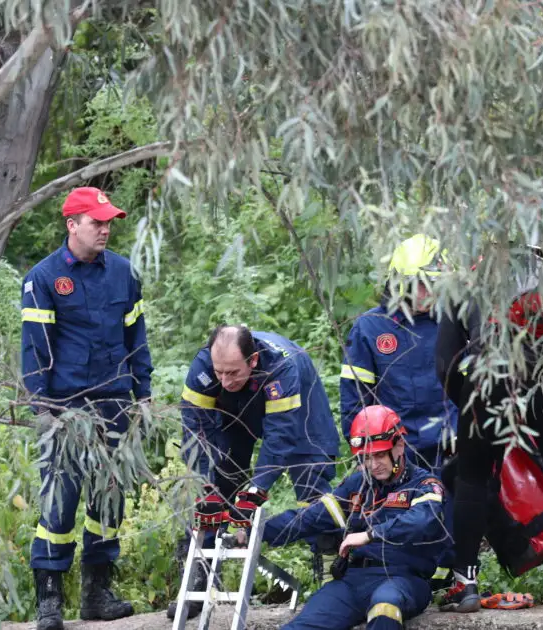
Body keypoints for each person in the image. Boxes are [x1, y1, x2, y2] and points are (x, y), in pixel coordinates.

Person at [434, 243, 543, 613]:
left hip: (487, 378)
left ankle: (464, 584)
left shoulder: (467, 274)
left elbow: (444, 363)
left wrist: (470, 406)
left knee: (472, 477)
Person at [21, 186, 152, 630]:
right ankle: (50, 600)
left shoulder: (123, 274)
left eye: (109, 221)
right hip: (65, 408)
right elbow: (34, 349)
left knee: (109, 498)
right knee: (60, 503)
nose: (105, 229)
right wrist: (42, 407)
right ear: (71, 224)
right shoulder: (43, 278)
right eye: (97, 222)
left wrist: (144, 395)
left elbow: (137, 338)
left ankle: (97, 593)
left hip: (114, 402)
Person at [167, 325, 340, 620]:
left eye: (232, 372)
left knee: (310, 478)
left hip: (299, 408)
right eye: (219, 372)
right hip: (234, 412)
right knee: (218, 477)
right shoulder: (205, 368)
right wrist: (205, 484)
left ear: (254, 360)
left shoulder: (282, 368)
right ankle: (199, 577)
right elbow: (196, 434)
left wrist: (255, 492)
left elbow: (279, 439)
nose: (224, 379)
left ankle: (332, 581)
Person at [240, 405, 450, 629]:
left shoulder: (425, 486)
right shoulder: (356, 486)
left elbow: (421, 523)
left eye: (379, 455)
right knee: (303, 624)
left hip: (403, 579)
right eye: (366, 458)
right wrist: (252, 530)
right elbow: (308, 518)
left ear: (399, 445)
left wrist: (369, 535)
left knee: (385, 607)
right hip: (353, 580)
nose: (373, 465)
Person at [340, 233, 458, 474]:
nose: (427, 293)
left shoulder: (458, 321)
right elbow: (355, 400)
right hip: (398, 452)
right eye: (420, 284)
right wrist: (365, 452)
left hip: (452, 449)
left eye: (435, 284)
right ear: (400, 281)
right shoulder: (370, 328)